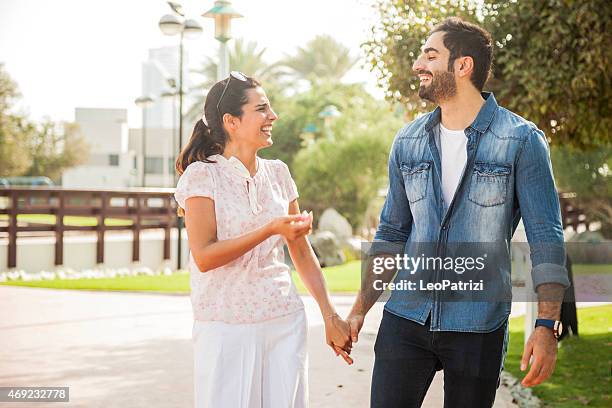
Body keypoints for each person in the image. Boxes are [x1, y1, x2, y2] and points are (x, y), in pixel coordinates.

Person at [346, 18, 569, 407]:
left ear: (462, 66)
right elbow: (391, 234)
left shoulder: (520, 140)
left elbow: (546, 240)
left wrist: (547, 326)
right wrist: (359, 310)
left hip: (478, 323)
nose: (418, 64)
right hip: (407, 315)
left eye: (430, 55)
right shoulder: (409, 140)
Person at [174, 72, 353, 408]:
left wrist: (330, 315)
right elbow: (204, 255)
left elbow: (300, 251)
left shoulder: (278, 173)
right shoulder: (202, 175)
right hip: (225, 328)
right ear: (231, 121)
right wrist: (271, 229)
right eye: (262, 109)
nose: (274, 116)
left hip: (284, 319)